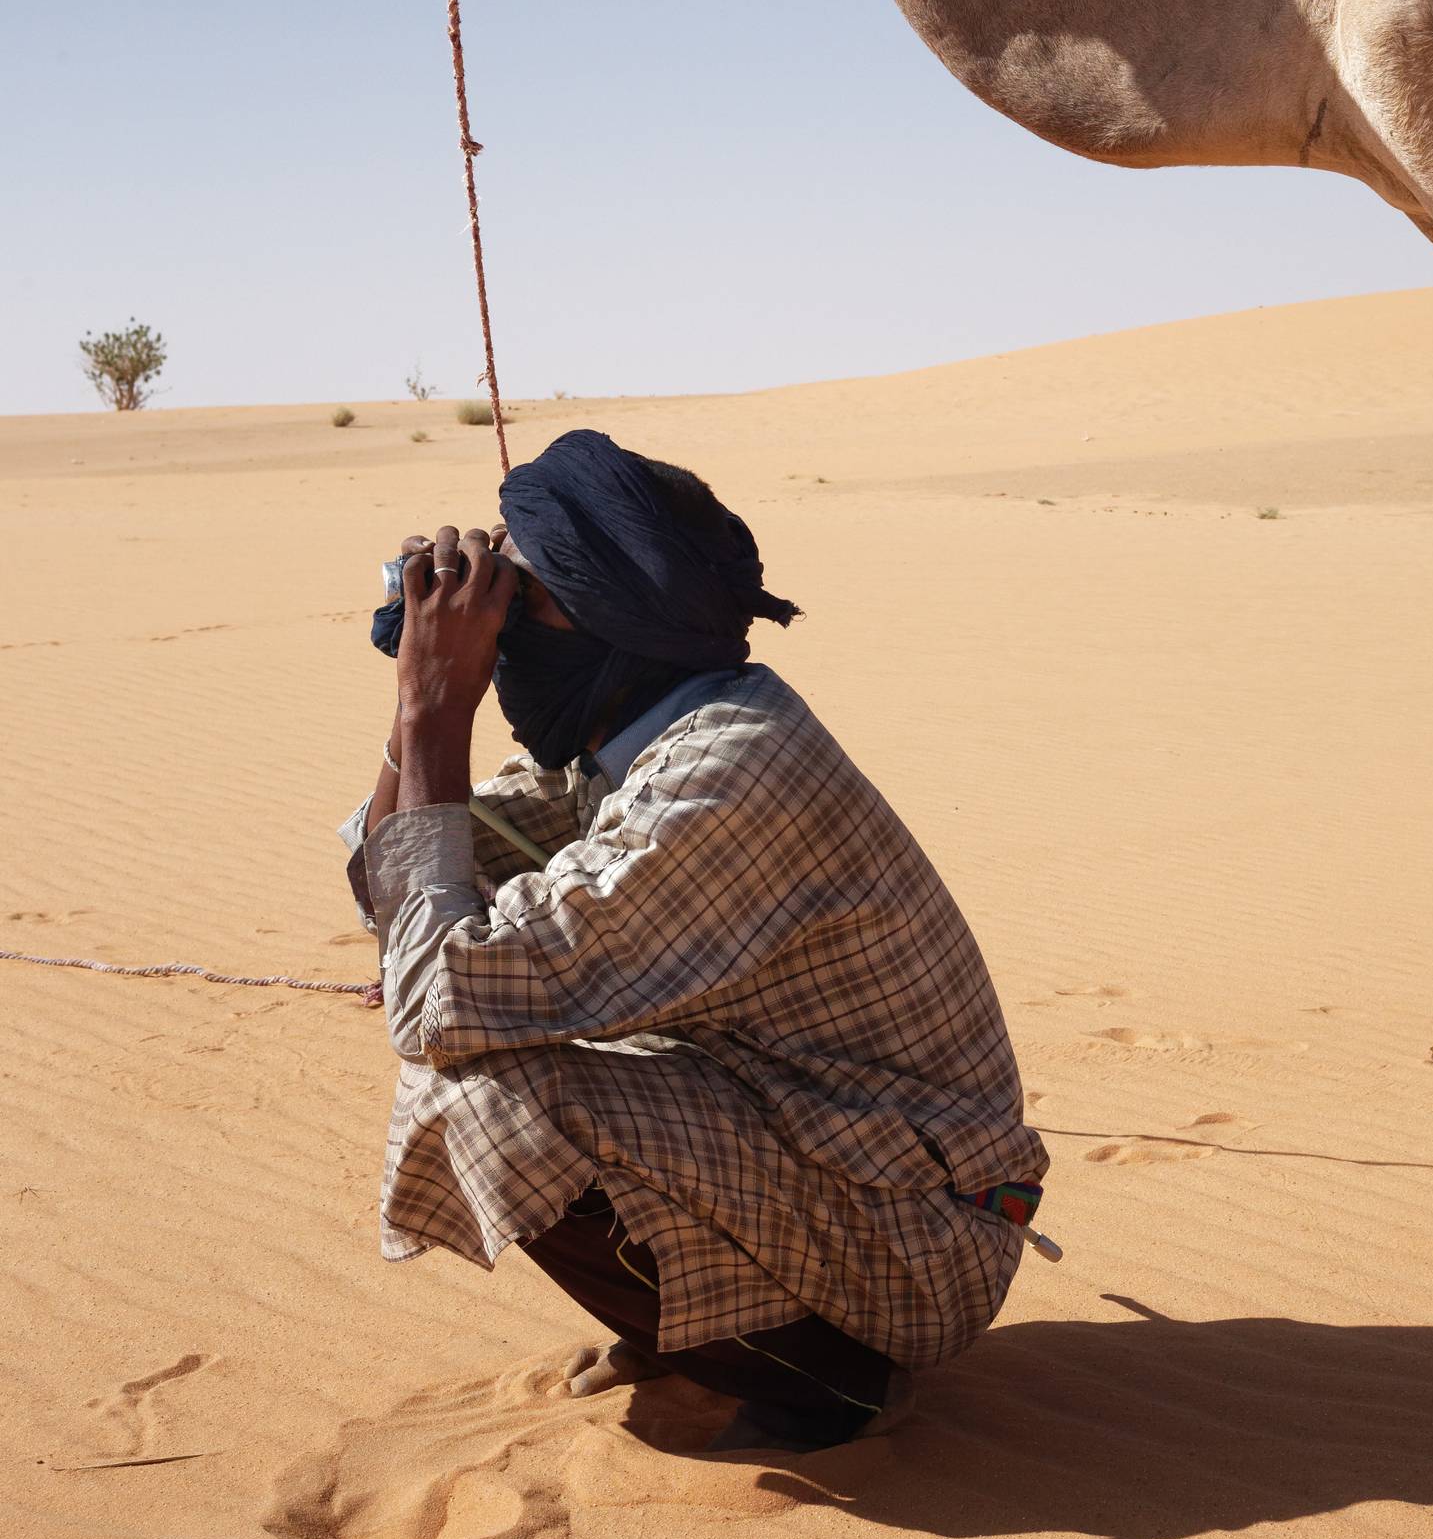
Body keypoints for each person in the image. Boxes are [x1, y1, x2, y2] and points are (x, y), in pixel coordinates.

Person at [343, 428, 1050, 1452]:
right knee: (513, 1031)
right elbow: (392, 890)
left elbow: (430, 1003)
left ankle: (825, 1381)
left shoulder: (727, 769)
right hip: (814, 1151)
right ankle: (707, 1325)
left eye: (515, 594)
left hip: (917, 1242)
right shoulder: (627, 736)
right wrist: (414, 713)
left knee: (483, 1094)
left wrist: (435, 708)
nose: (493, 619)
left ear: (606, 619)